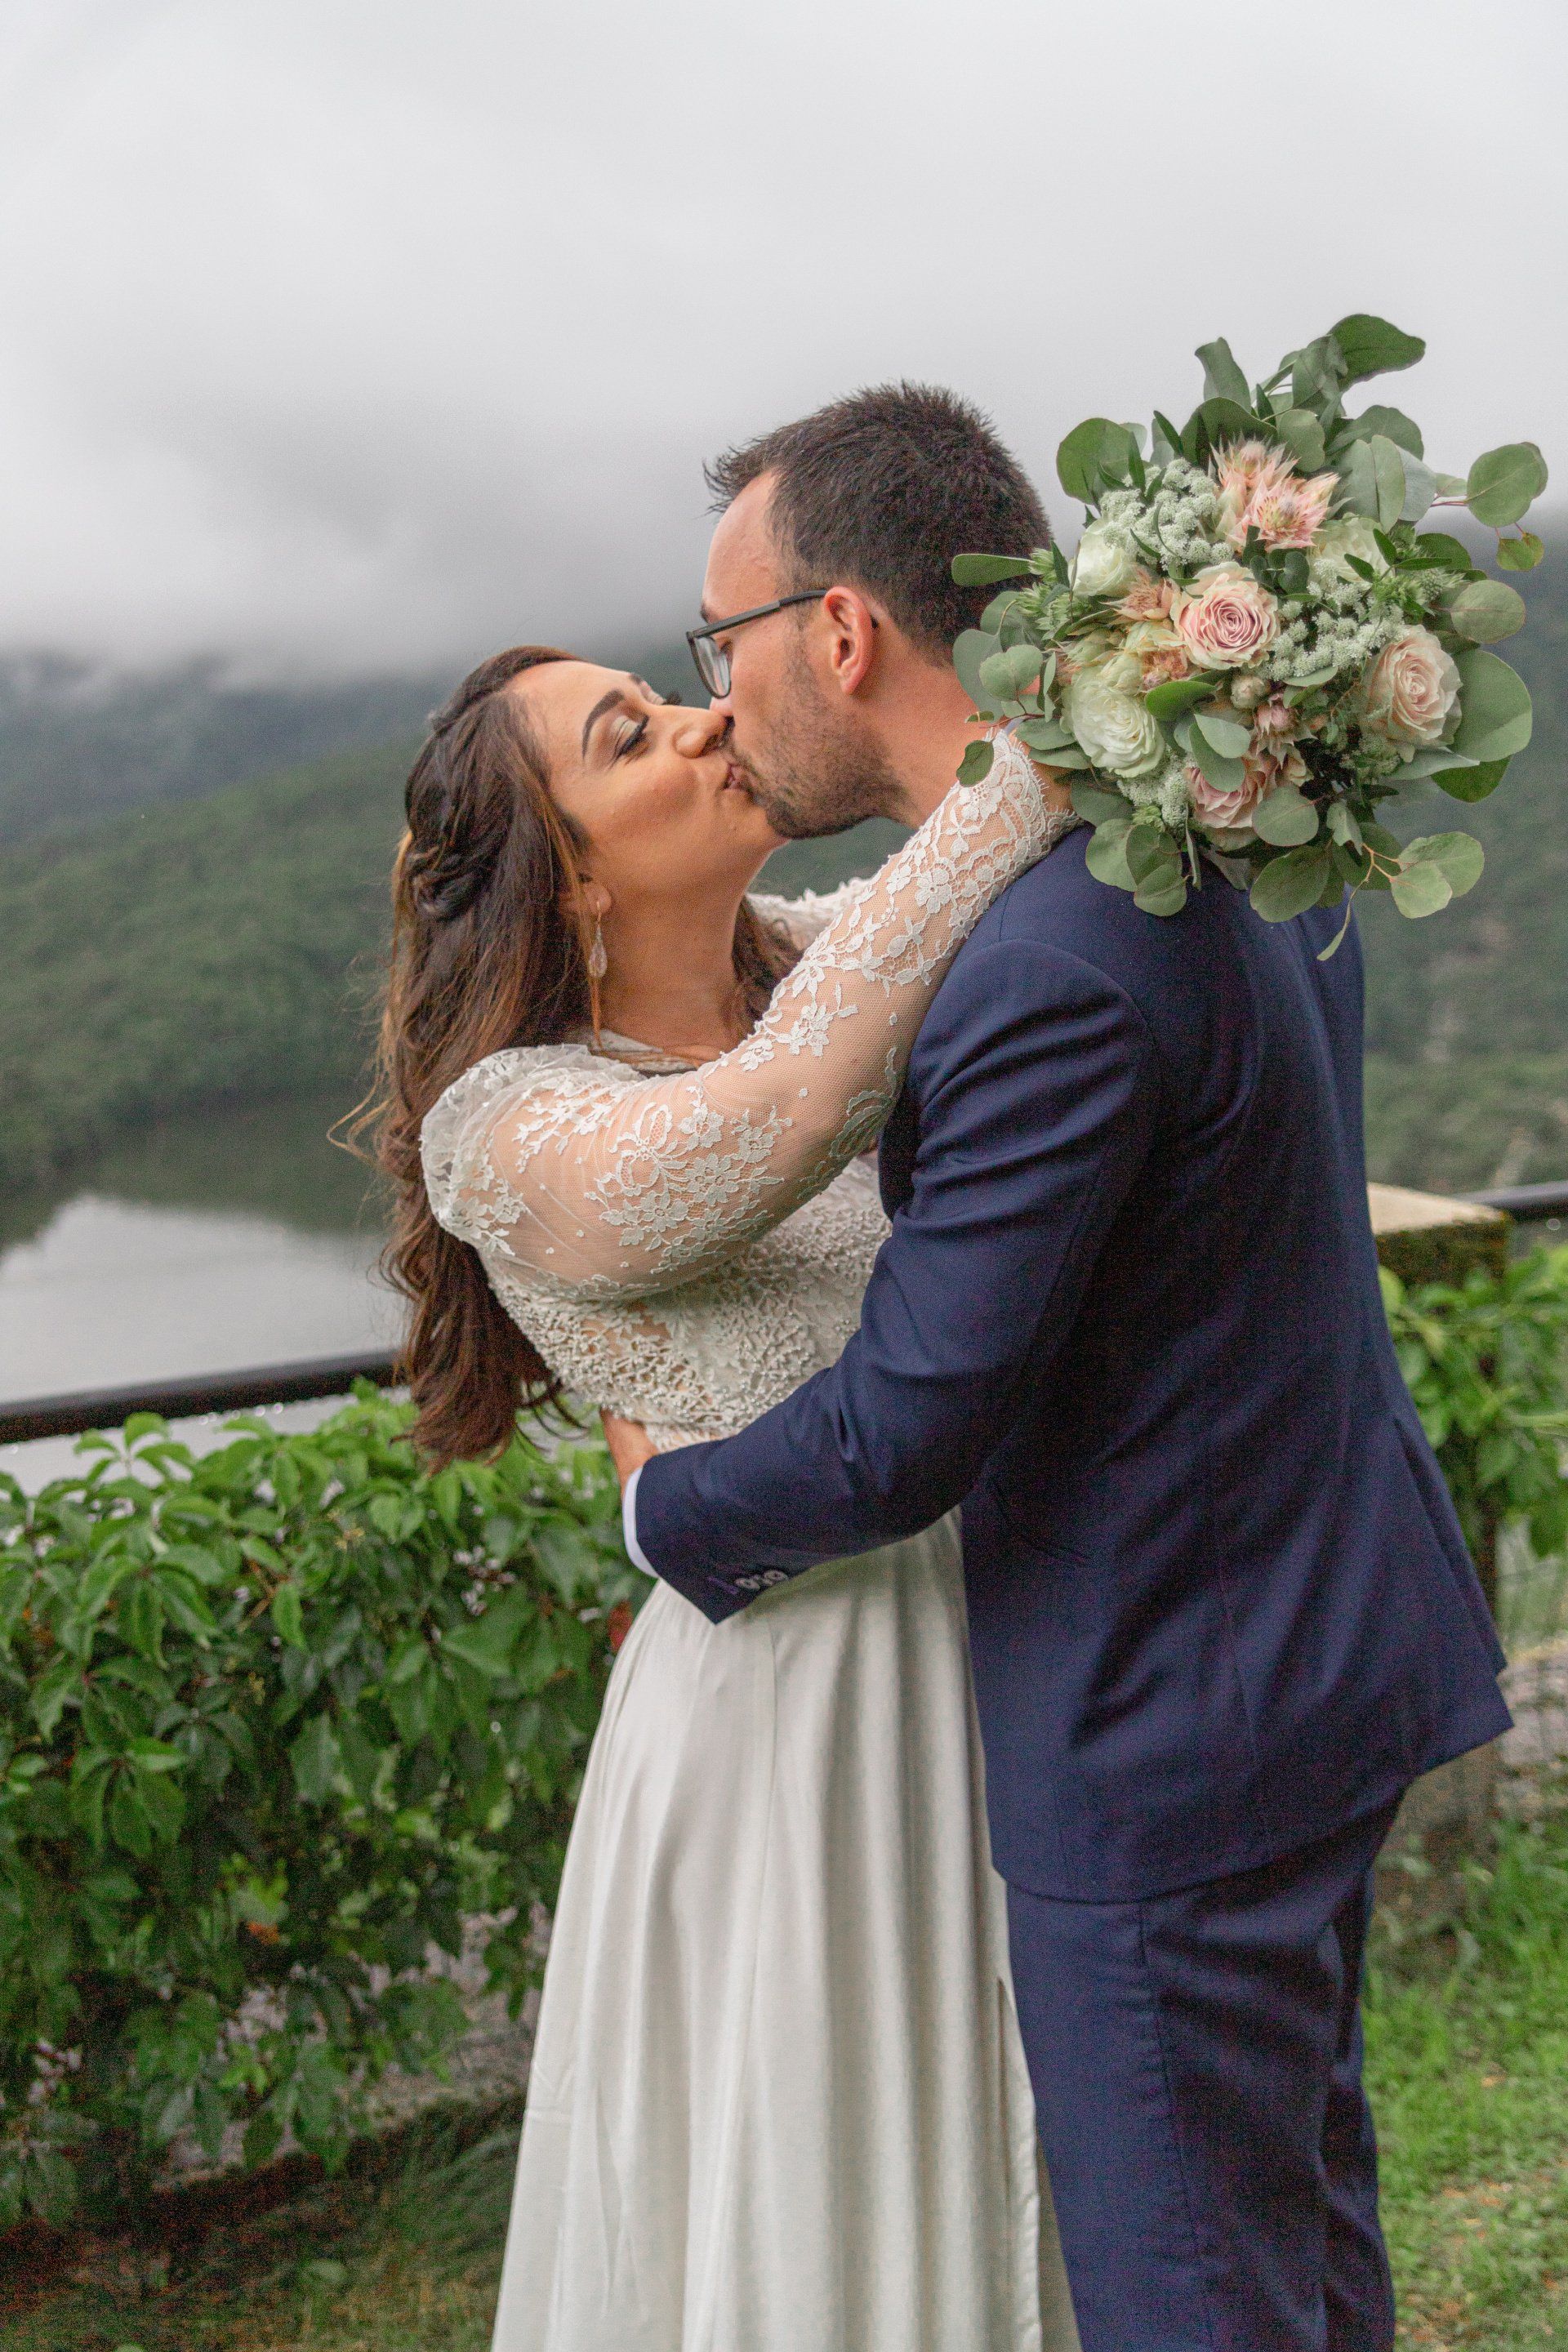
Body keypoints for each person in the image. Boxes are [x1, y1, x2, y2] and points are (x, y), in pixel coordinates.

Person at [614, 385, 1515, 2352]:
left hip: (1178, 1720)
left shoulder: (1043, 957)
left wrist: (658, 1504)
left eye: (724, 646)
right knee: (1296, 2238)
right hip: (1303, 1652)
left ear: (839, 632)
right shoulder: (1202, 834)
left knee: (1200, 2286)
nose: (721, 701)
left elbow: (909, 1422)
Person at [373, 392, 1083, 2352]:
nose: (702, 718)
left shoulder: (815, 952)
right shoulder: (510, 1126)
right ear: (572, 882)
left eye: (673, 691)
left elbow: (890, 957)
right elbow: (779, 1109)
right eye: (631, 735)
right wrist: (1029, 773)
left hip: (999, 1655)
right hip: (786, 1719)